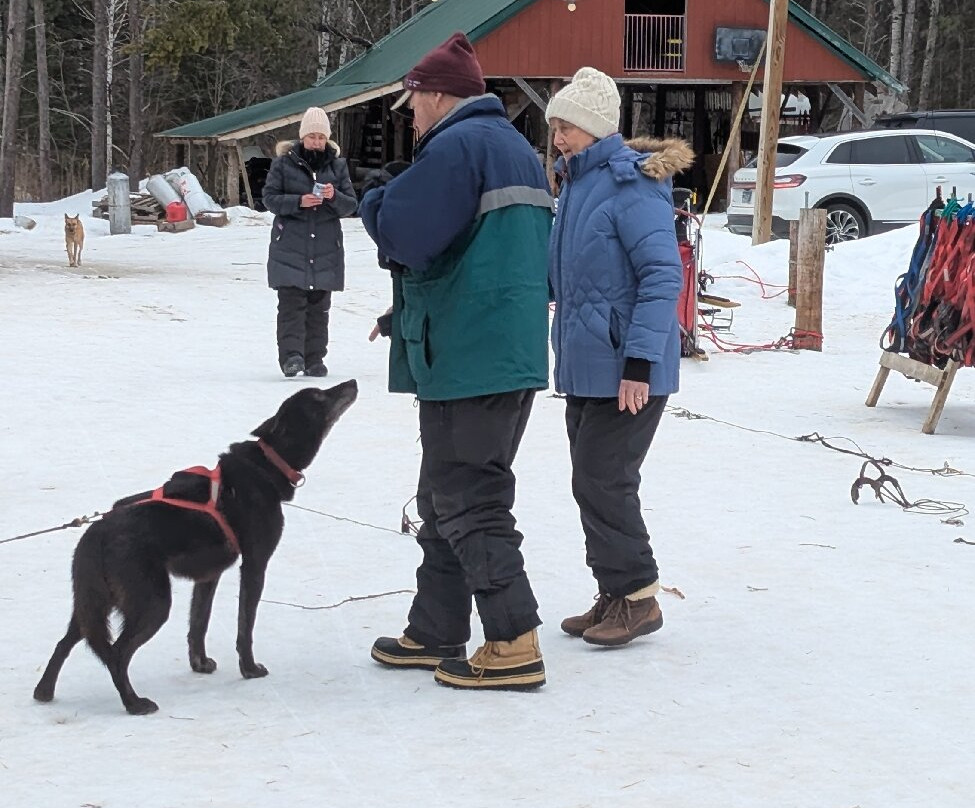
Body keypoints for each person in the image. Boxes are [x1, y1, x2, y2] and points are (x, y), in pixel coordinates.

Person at [359, 32, 553, 691]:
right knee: (444, 495)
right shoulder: (516, 150)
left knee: (469, 496)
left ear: (439, 96)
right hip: (496, 344)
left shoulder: (456, 145)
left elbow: (405, 239)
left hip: (471, 351)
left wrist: (375, 199)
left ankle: (512, 639)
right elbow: (477, 253)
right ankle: (436, 627)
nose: (410, 117)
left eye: (412, 103)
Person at [546, 67, 693, 647]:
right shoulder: (578, 184)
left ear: (597, 128)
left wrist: (639, 364)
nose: (559, 137)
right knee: (590, 480)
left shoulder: (631, 185)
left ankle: (638, 596)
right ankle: (612, 590)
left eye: (569, 128)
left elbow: (661, 275)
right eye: (555, 126)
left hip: (627, 368)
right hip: (586, 362)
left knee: (606, 479)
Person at [263, 106, 357, 378]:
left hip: (326, 248)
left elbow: (350, 205)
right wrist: (298, 202)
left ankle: (315, 358)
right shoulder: (282, 164)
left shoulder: (337, 166)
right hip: (290, 246)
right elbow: (269, 198)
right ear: (302, 136)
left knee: (319, 308)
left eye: (321, 136)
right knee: (291, 305)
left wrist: (333, 196)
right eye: (311, 136)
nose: (316, 142)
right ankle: (292, 357)